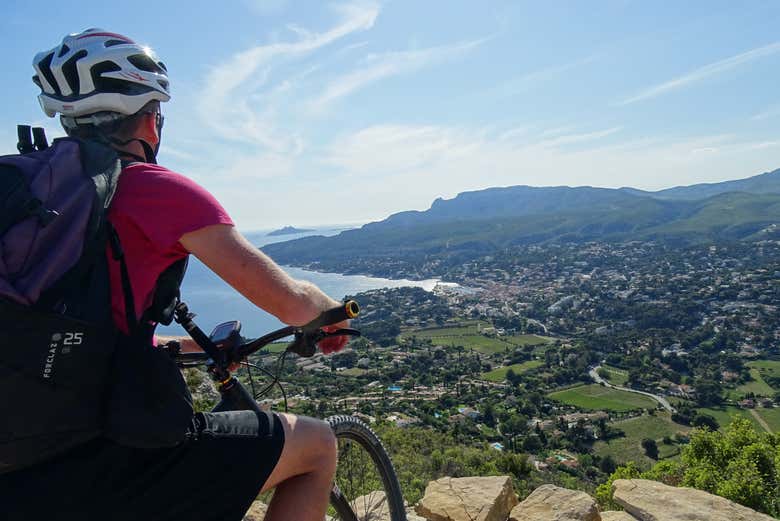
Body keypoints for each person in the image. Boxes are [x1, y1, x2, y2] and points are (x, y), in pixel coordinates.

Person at [2, 28, 348, 521]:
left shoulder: (27, 196)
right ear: (150, 118)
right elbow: (292, 303)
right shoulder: (159, 191)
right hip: (94, 463)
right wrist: (329, 312)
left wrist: (187, 348)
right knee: (316, 443)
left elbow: (68, 340)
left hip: (16, 465)